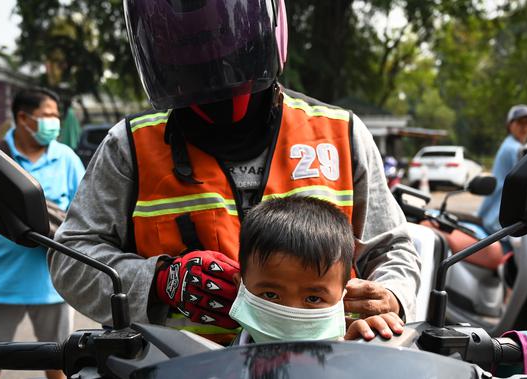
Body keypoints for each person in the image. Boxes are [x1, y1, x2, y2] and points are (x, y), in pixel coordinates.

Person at [48, 0, 420, 344]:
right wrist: (160, 281)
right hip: (176, 366)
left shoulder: (339, 134)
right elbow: (71, 258)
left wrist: (390, 296)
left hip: (323, 364)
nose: (212, 72)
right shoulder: (130, 145)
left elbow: (393, 247)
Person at [0, 88, 85, 379]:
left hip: (53, 283)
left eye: (56, 116)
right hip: (1, 282)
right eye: (48, 115)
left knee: (59, 362)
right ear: (23, 117)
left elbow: (83, 211)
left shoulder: (66, 158)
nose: (55, 122)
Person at [230, 196, 404, 344]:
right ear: (240, 288)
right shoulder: (222, 363)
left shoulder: (354, 346)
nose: (292, 315)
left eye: (313, 298)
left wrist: (362, 350)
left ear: (343, 297)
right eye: (270, 295)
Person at [478, 104, 527, 234]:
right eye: (520, 122)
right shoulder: (515, 149)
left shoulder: (511, 144)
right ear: (510, 125)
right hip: (500, 216)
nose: (524, 126)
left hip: (494, 210)